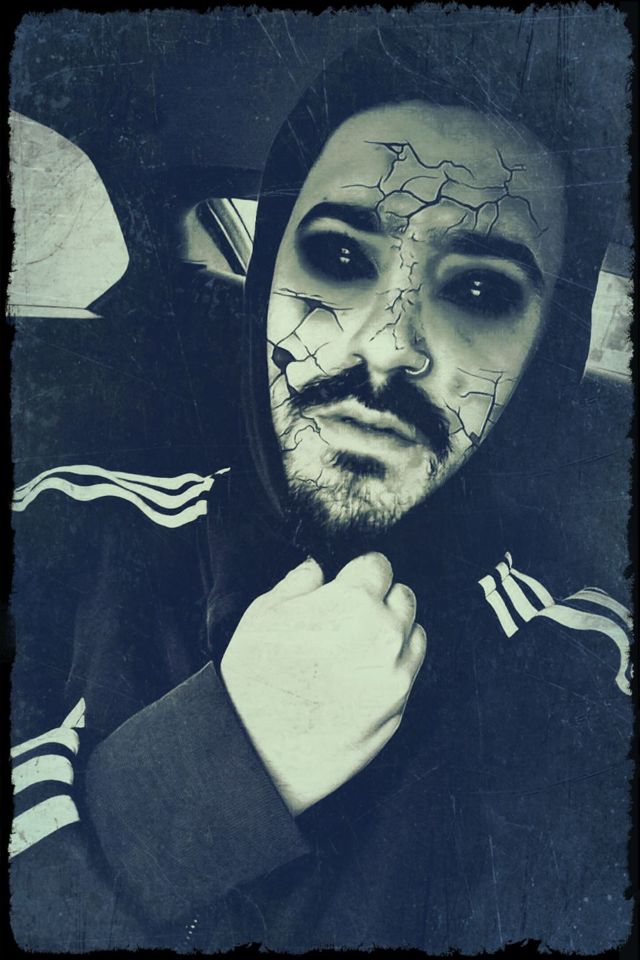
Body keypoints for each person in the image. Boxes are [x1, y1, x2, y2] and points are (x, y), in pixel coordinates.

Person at [9, 15, 633, 954]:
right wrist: (213, 768)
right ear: (265, 277)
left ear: (546, 352)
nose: (385, 348)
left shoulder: (582, 674)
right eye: (339, 258)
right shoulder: (63, 532)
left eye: (479, 292)